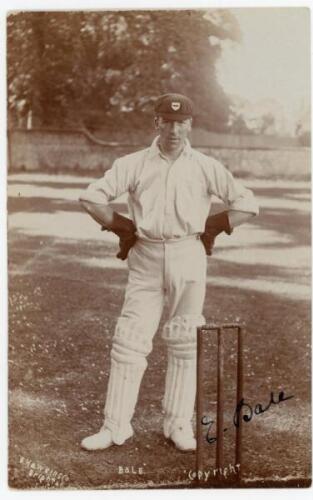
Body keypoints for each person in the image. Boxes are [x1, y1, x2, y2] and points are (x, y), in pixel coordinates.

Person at [78, 93, 259, 452]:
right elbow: (91, 197)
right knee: (129, 340)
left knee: (185, 340)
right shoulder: (133, 163)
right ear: (156, 122)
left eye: (182, 122)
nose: (175, 129)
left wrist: (213, 226)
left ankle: (177, 425)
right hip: (145, 254)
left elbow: (248, 204)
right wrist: (122, 227)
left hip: (188, 253)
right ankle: (115, 427)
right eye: (168, 121)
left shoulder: (206, 166)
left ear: (190, 124)